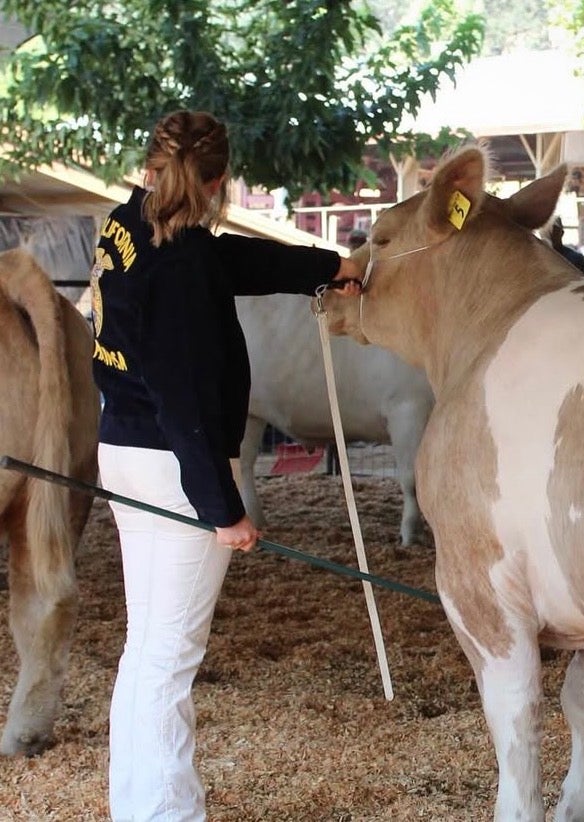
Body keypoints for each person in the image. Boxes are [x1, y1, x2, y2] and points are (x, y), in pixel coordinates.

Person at [90, 110, 362, 821]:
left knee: (147, 649)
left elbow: (228, 261)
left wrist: (327, 267)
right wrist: (223, 508)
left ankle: (140, 806)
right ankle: (164, 815)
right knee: (169, 658)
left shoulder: (133, 221)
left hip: (123, 450)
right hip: (170, 465)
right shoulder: (179, 266)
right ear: (220, 181)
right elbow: (181, 400)